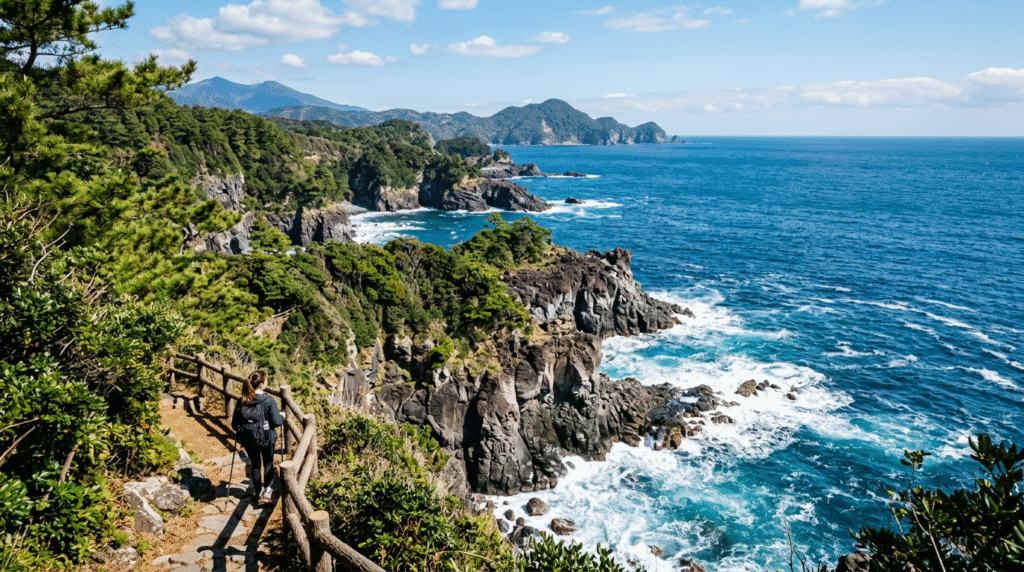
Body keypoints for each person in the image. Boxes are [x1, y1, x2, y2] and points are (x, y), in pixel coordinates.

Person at [231, 371, 284, 505]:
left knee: (255, 464)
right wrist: (282, 416)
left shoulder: (242, 399)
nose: (267, 383)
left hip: (248, 439)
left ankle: (257, 491)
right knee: (268, 463)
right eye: (266, 381)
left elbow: (234, 424)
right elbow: (277, 422)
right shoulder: (268, 400)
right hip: (266, 438)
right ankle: (267, 492)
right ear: (261, 385)